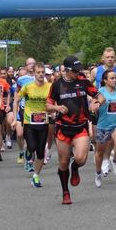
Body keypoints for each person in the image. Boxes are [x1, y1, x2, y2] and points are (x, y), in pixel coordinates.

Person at [46, 56, 99, 205]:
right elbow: (48, 105)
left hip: (80, 126)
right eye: (75, 70)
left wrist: (96, 102)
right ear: (67, 70)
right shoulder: (57, 85)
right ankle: (65, 192)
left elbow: (100, 96)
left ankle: (75, 167)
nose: (78, 73)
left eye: (79, 69)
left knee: (81, 158)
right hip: (63, 127)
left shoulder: (83, 82)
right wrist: (57, 107)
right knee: (63, 162)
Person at [13, 63, 51, 188]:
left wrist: (55, 110)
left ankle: (36, 176)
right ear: (34, 73)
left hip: (43, 122)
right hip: (29, 122)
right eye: (38, 72)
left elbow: (53, 102)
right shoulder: (28, 86)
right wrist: (14, 118)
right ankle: (28, 152)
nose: (41, 74)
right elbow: (16, 100)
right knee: (32, 146)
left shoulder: (50, 87)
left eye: (42, 72)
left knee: (40, 152)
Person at [90, 69, 116, 188]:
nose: (115, 80)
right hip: (103, 126)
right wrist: (94, 106)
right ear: (105, 80)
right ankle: (98, 173)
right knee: (99, 153)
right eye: (112, 78)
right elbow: (93, 103)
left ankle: (115, 162)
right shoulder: (100, 91)